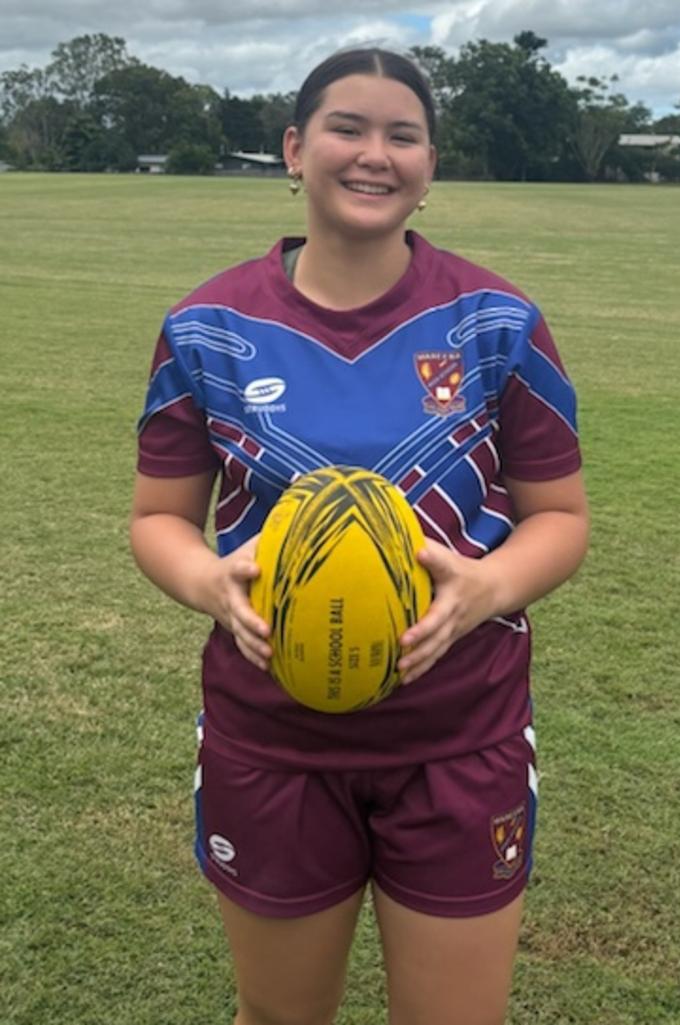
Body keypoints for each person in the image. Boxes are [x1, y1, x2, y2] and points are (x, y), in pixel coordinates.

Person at [130, 46, 589, 1025]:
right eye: (347, 127)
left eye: (403, 134)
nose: (373, 153)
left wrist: (488, 586)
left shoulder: (497, 322)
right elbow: (158, 520)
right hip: (273, 739)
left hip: (462, 737)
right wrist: (213, 585)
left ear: (429, 167)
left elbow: (561, 518)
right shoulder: (206, 326)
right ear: (295, 149)